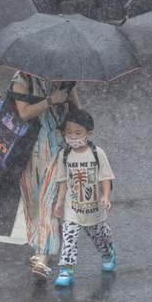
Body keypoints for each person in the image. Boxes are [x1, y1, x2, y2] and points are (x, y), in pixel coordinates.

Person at [11, 72, 81, 281]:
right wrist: (51, 100)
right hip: (28, 149)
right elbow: (23, 113)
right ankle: (39, 244)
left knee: (48, 200)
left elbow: (78, 109)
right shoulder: (22, 79)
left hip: (58, 148)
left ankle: (43, 257)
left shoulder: (66, 77)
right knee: (32, 201)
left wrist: (80, 129)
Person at [52, 109, 116, 287]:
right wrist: (59, 202)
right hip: (73, 208)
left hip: (94, 207)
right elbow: (63, 181)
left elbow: (105, 177)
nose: (73, 137)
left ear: (89, 134)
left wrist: (106, 197)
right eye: (69, 132)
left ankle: (108, 251)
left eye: (78, 133)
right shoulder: (64, 155)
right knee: (69, 237)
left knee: (100, 236)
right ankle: (67, 269)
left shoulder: (97, 153)